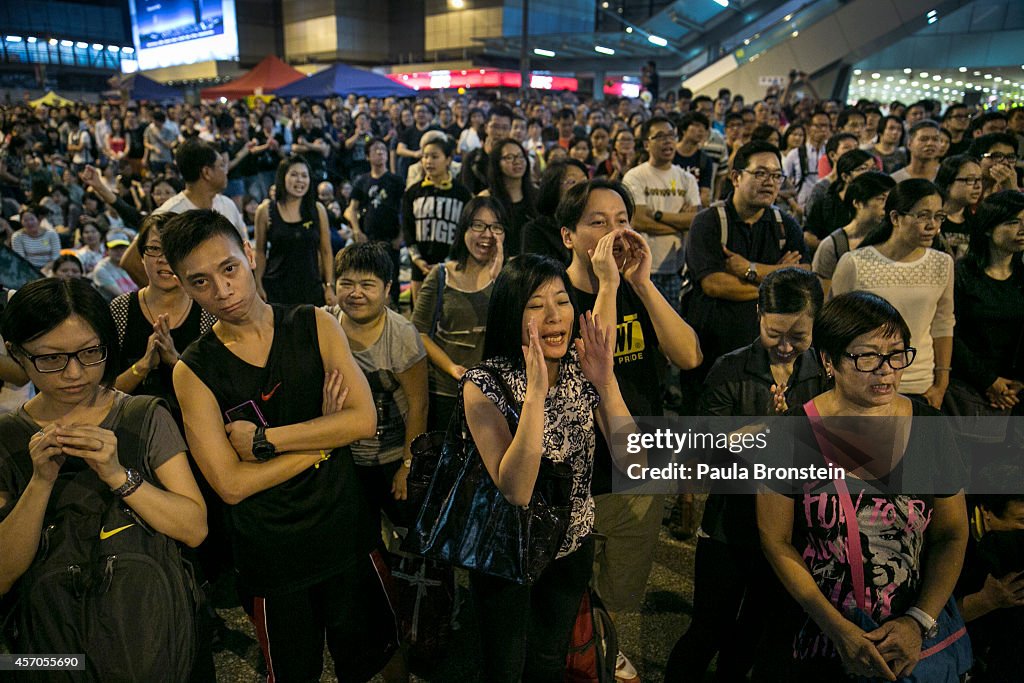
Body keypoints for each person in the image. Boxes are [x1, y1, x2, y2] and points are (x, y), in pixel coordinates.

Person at [162, 209, 400, 683]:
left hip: (345, 530)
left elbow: (363, 420)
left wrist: (267, 441)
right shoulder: (193, 370)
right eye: (201, 282)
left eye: (228, 269)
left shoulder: (314, 323)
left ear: (249, 255)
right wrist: (326, 438)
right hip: (272, 554)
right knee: (293, 671)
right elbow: (229, 485)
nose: (222, 290)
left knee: (375, 658)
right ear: (186, 288)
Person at [0, 277, 207, 677]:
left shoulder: (143, 415)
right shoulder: (8, 438)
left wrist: (118, 475)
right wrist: (40, 482)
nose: (75, 373)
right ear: (16, 353)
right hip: (51, 653)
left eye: (91, 352)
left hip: (147, 636)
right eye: (51, 358)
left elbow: (194, 528)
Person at [757, 291, 968, 680]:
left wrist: (917, 621)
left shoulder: (930, 430)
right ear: (828, 361)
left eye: (896, 354)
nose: (885, 371)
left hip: (907, 637)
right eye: (867, 357)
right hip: (815, 637)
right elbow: (775, 539)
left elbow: (952, 534)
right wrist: (837, 629)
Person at [462, 253, 631, 683]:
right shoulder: (484, 383)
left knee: (551, 659)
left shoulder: (581, 367)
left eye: (562, 300)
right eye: (536, 305)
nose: (554, 316)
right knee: (503, 666)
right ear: (512, 315)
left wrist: (606, 381)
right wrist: (535, 395)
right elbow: (516, 490)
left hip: (571, 545)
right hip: (506, 555)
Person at [558, 178, 702, 683]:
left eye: (621, 220)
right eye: (597, 222)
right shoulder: (553, 295)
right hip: (575, 465)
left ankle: (603, 646)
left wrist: (640, 282)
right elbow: (591, 363)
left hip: (640, 461)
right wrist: (609, 285)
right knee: (567, 576)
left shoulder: (638, 286)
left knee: (620, 581)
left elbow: (688, 355)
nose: (613, 232)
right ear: (568, 236)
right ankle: (569, 650)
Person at [665, 268, 829, 682]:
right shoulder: (730, 369)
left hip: (795, 529)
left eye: (800, 336)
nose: (787, 346)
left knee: (756, 633)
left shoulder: (826, 375)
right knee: (708, 628)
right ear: (759, 314)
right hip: (730, 525)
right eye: (775, 333)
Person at [683, 140, 810, 398]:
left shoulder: (786, 225)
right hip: (711, 353)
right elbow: (715, 284)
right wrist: (778, 277)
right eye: (760, 173)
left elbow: (803, 279)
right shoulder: (708, 222)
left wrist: (750, 269)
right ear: (736, 177)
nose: (770, 182)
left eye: (776, 175)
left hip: (767, 357)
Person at [327, 242, 427, 532]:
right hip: (343, 457)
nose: (356, 293)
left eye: (367, 284)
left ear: (387, 289)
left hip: (391, 455)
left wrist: (408, 466)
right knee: (357, 531)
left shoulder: (402, 336)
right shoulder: (325, 323)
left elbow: (418, 405)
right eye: (346, 283)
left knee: (406, 529)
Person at [831, 179, 954, 408]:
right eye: (923, 216)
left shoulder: (943, 263)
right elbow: (834, 329)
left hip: (920, 382)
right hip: (863, 380)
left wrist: (941, 384)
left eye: (939, 217)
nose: (933, 225)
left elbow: (943, 324)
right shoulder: (855, 263)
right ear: (896, 217)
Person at [412, 197, 505, 431]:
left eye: (496, 227)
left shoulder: (510, 276)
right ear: (463, 229)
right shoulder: (441, 275)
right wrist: (452, 367)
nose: (487, 234)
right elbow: (419, 331)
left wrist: (500, 280)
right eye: (478, 225)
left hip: (496, 391)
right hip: (445, 391)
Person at [110, 213, 215, 416]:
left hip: (194, 429)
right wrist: (142, 366)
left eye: (172, 249)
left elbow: (221, 393)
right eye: (155, 249)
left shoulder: (208, 310)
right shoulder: (120, 309)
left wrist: (175, 361)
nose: (163, 259)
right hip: (128, 429)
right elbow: (99, 394)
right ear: (141, 255)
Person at [121, 139, 247, 286]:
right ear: (206, 172)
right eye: (220, 165)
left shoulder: (227, 204)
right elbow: (131, 263)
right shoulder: (169, 213)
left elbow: (243, 250)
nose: (225, 171)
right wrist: (170, 300)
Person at [947, 191, 1024, 429]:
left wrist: (1019, 381)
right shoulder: (962, 275)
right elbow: (951, 333)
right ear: (989, 228)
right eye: (1013, 223)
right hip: (969, 387)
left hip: (1016, 388)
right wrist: (989, 381)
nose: (1022, 230)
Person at [622, 116, 701, 308]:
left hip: (676, 267)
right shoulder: (635, 177)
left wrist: (657, 214)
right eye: (660, 136)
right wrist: (679, 224)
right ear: (646, 144)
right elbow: (639, 221)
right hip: (642, 266)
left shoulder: (687, 179)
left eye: (671, 135)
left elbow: (695, 221)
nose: (668, 141)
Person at [253, 156, 336, 306]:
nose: (300, 180)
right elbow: (259, 252)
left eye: (304, 176)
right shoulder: (265, 210)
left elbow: (326, 251)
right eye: (294, 175)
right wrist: (258, 284)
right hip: (275, 290)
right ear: (282, 177)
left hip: (311, 289)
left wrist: (330, 286)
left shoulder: (317, 210)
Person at [401, 135, 472, 303]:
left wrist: (447, 263)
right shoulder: (413, 192)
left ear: (448, 159)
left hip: (452, 267)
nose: (428, 161)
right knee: (419, 318)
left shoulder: (462, 194)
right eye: (425, 156)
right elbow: (408, 228)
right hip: (420, 267)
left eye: (434, 156)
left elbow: (465, 232)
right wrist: (417, 259)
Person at [813, 171, 895, 295]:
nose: (887, 206)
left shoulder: (893, 239)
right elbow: (823, 295)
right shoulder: (833, 245)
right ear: (857, 203)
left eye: (890, 200)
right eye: (881, 199)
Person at [345, 138, 405, 307]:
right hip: (368, 238)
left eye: (383, 150)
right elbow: (352, 209)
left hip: (390, 239)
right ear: (367, 157)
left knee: (392, 278)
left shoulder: (396, 180)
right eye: (376, 150)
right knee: (369, 278)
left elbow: (405, 209)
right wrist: (357, 230)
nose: (380, 153)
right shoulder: (362, 181)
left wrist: (401, 236)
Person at [804, 148, 876, 251]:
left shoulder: (879, 202)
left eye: (873, 169)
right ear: (845, 176)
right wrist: (837, 250)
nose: (871, 174)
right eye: (863, 169)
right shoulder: (824, 202)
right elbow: (808, 237)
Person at [520, 159, 588, 263]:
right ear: (553, 187)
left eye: (584, 182)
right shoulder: (536, 230)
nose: (582, 188)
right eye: (571, 182)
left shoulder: (594, 223)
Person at [479, 137, 536, 257]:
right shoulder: (486, 199)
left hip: (531, 266)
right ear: (497, 163)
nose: (517, 161)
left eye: (521, 156)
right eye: (509, 157)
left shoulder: (537, 195)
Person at [934, 154, 983, 260]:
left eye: (979, 179)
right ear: (948, 183)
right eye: (970, 179)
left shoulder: (977, 222)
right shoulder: (932, 220)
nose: (978, 186)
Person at [459, 105, 515, 195]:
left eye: (505, 128)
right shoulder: (473, 158)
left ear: (510, 130)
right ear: (486, 128)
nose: (499, 133)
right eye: (495, 127)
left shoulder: (514, 158)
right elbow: (466, 191)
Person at [91, 233, 138, 302]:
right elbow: (121, 295)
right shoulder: (101, 269)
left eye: (122, 248)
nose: (119, 251)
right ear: (107, 251)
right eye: (114, 248)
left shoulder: (132, 264)